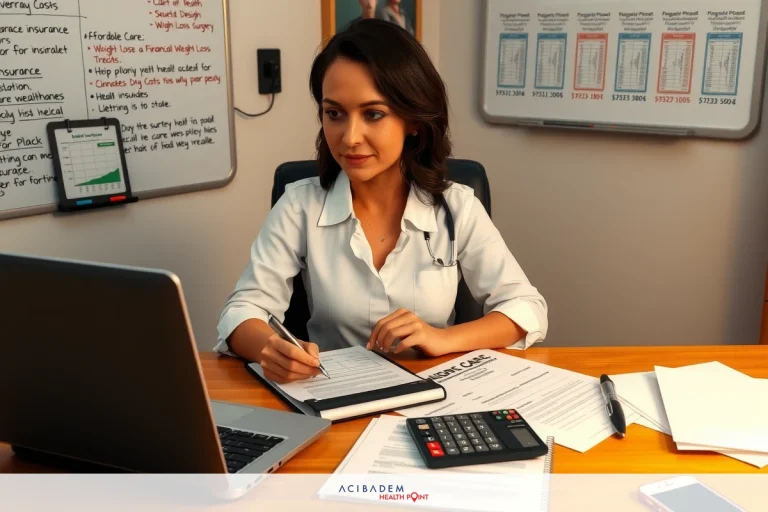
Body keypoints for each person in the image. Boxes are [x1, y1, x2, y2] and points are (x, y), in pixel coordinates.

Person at [215, 19, 547, 383]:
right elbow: (241, 312)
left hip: (435, 396)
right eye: (334, 113)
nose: (350, 137)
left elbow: (526, 308)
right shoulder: (299, 206)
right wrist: (269, 348)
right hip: (331, 396)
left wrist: (441, 338)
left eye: (373, 114)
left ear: (413, 120)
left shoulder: (457, 207)